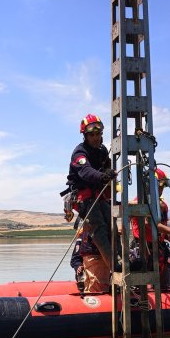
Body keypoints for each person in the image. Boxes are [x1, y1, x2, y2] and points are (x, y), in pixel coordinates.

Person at [65, 114, 115, 272]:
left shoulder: (102, 151)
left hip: (99, 197)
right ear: (85, 136)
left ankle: (123, 259)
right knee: (99, 229)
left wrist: (109, 171)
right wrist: (103, 176)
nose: (95, 138)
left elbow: (107, 166)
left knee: (112, 226)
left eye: (98, 134)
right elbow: (86, 172)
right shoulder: (79, 153)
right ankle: (116, 266)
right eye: (91, 135)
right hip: (85, 199)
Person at [130, 168, 170, 289]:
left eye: (163, 187)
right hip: (143, 250)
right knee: (140, 288)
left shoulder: (162, 206)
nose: (161, 190)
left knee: (162, 287)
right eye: (160, 186)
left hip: (159, 251)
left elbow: (162, 230)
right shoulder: (139, 203)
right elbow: (149, 223)